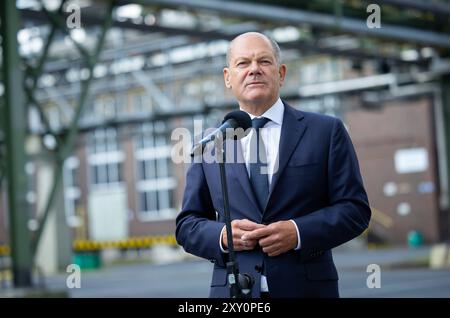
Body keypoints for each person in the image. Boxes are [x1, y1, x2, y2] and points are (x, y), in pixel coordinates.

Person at [175, 32, 371, 298]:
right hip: (235, 294)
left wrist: (298, 232)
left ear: (281, 73)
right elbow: (187, 225)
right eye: (243, 63)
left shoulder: (326, 131)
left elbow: (355, 210)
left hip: (307, 290)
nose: (254, 69)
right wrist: (223, 236)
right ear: (227, 77)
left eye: (264, 62)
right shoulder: (210, 144)